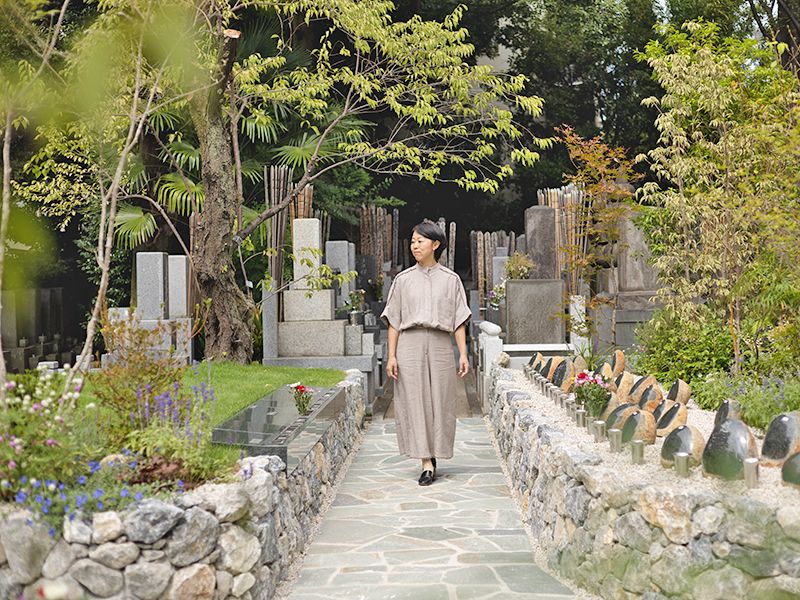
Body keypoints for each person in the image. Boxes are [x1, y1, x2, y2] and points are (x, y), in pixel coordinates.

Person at [380, 220, 472, 486]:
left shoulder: (451, 280)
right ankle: (425, 461)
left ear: (436, 244)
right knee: (415, 401)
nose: (415, 246)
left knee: (441, 400)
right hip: (410, 343)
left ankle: (437, 450)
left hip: (441, 344)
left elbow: (458, 321)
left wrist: (463, 354)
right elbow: (394, 321)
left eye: (420, 241)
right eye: (412, 241)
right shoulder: (403, 280)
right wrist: (392, 355)